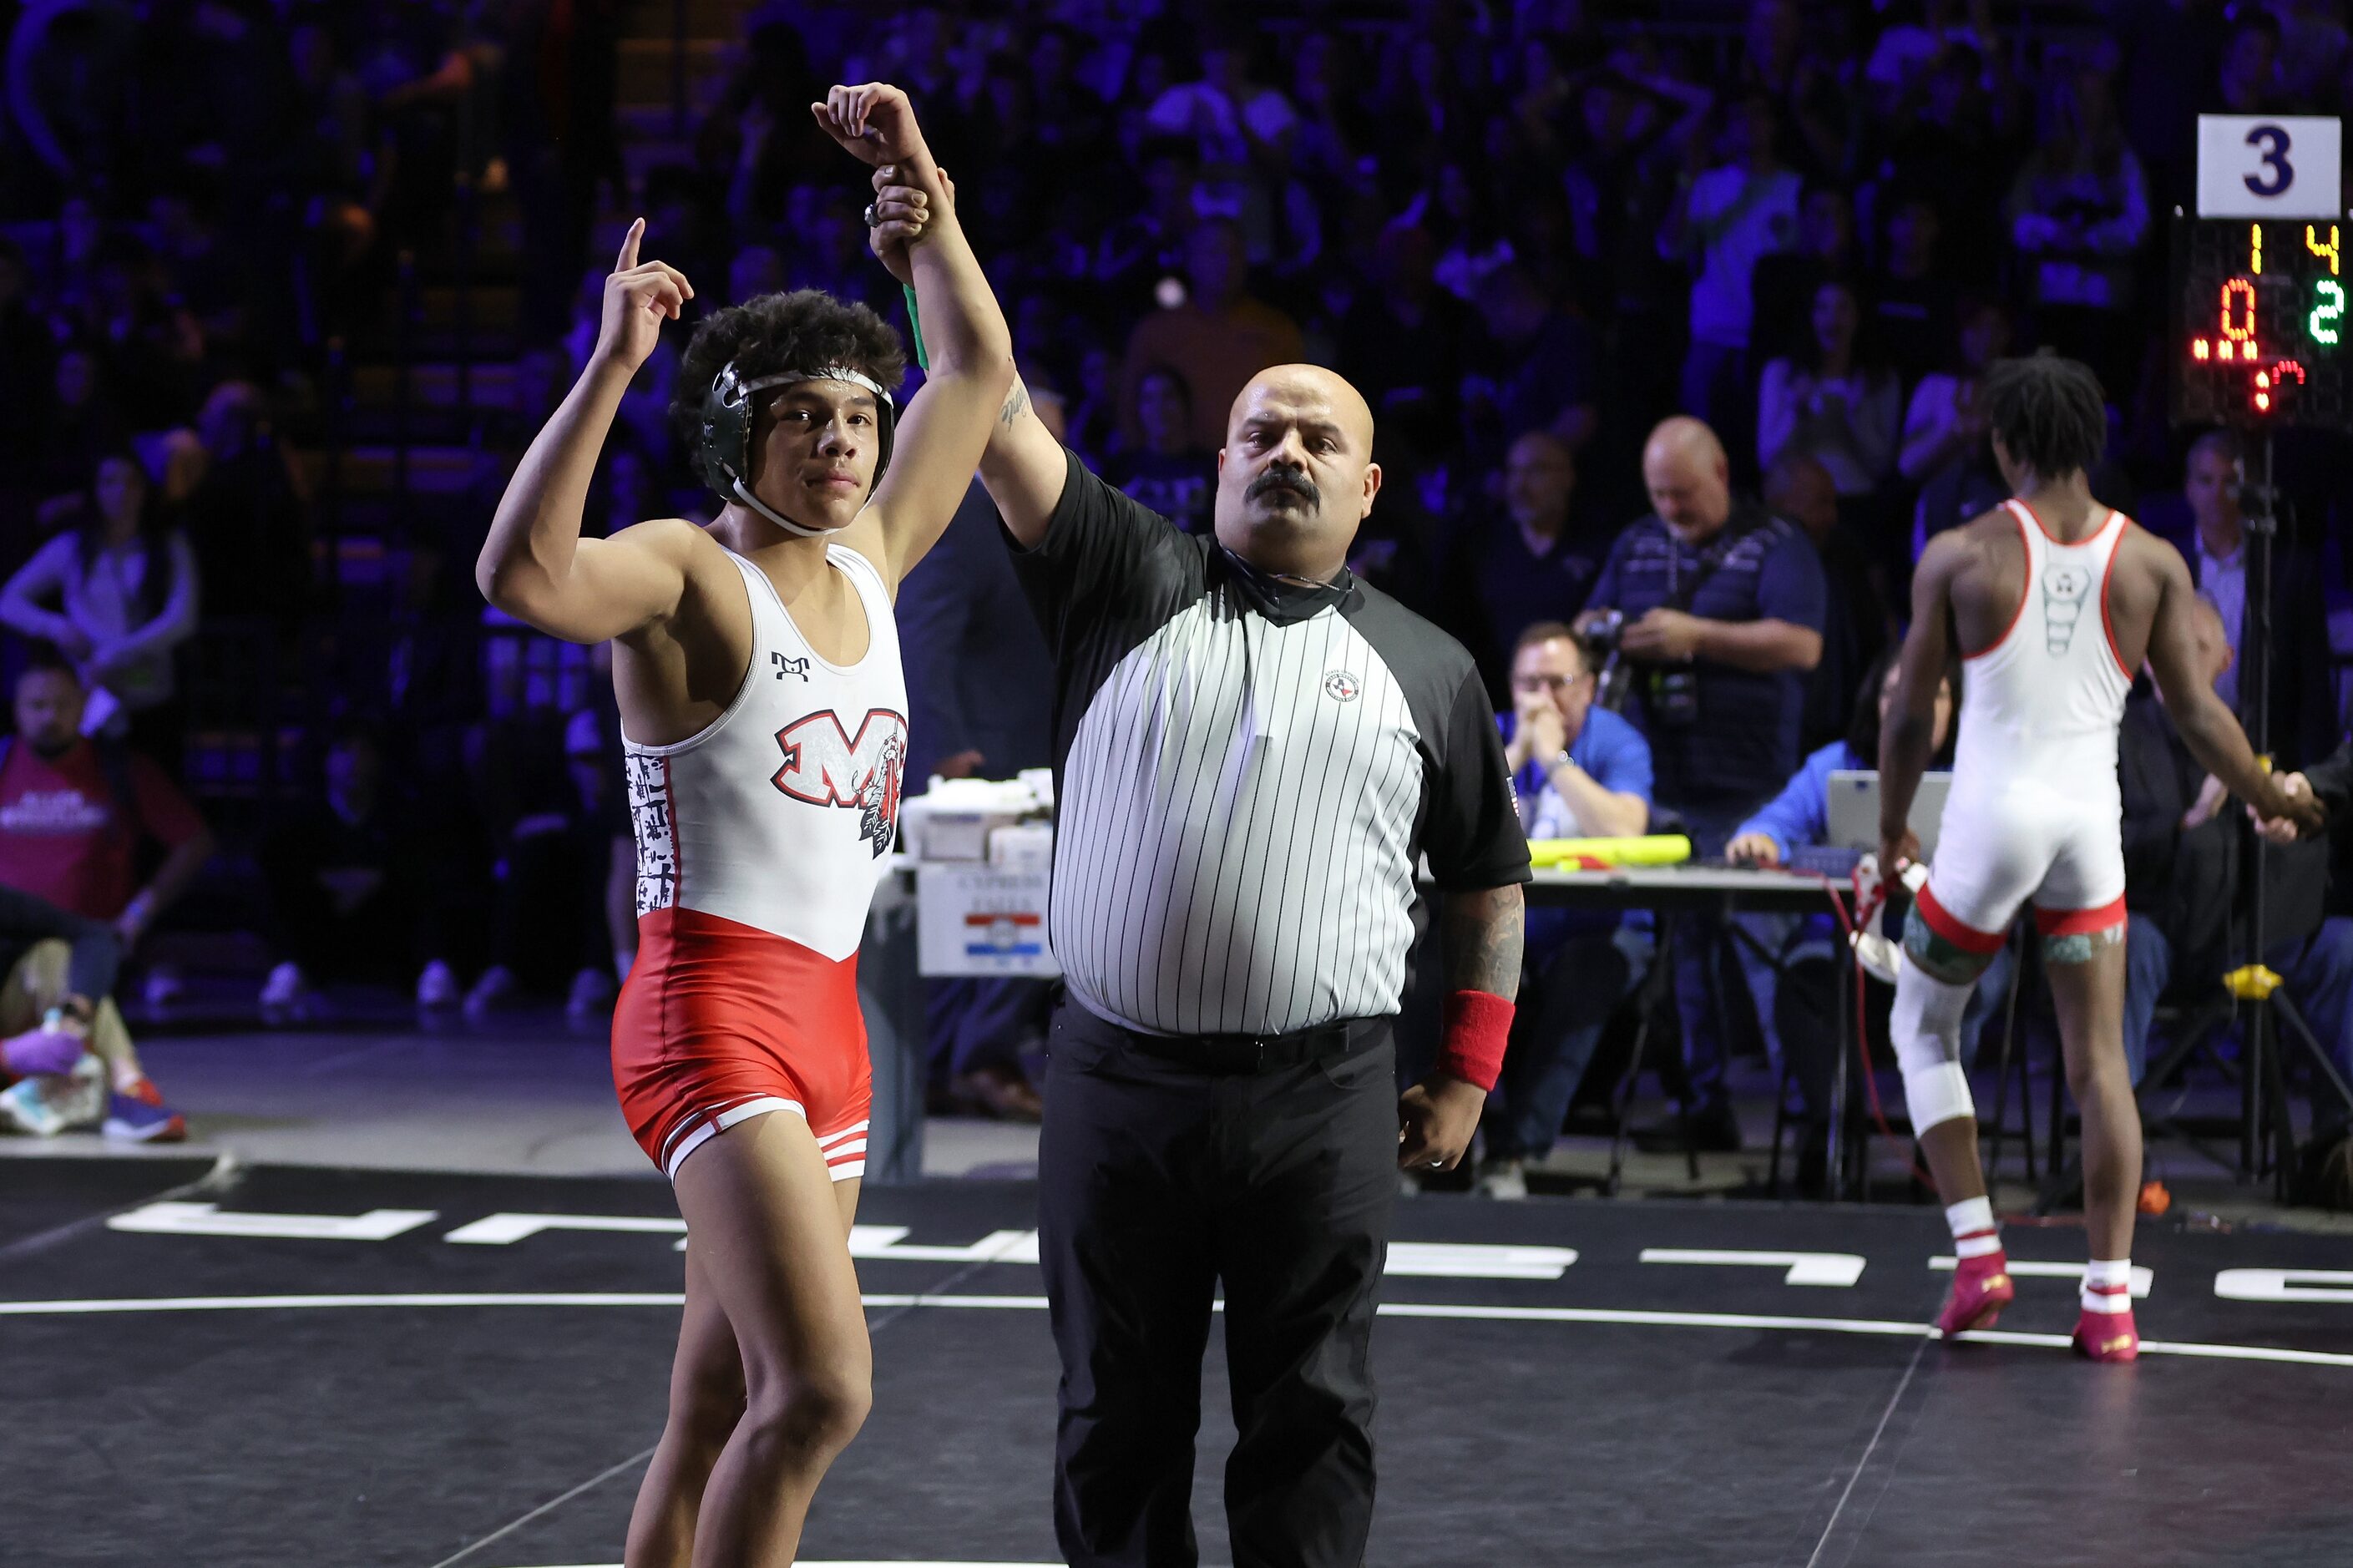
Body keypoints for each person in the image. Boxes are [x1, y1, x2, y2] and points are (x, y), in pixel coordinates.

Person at [880, 157, 1529, 1568]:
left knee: (1311, 1416)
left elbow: (1487, 877)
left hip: (1325, 1097)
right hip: (1116, 1084)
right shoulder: (1123, 573)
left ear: (1368, 484)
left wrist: (1470, 1072)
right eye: (1257, 432)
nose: (1283, 452)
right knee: (1113, 1417)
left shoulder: (1429, 666)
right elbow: (987, 407)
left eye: (1313, 438)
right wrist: (934, 228)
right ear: (1217, 463)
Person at [476, 83, 1013, 1565]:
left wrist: (927, 200)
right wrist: (607, 369)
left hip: (822, 1015)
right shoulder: (686, 574)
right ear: (733, 434)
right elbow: (520, 577)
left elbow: (971, 368)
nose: (845, 446)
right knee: (822, 1385)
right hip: (707, 1010)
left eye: (857, 418)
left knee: (718, 1398)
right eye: (805, 421)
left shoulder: (877, 556)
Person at [1877, 355, 2321, 1365]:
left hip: (1991, 828)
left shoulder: (1958, 554)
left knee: (1920, 1020)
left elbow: (1909, 716)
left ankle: (1980, 1253)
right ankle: (2110, 1303)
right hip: (2090, 834)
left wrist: (1891, 830)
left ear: (2003, 444)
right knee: (2101, 1064)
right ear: (2091, 443)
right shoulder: (2152, 560)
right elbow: (2200, 715)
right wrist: (2269, 798)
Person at [1576, 416, 1826, 1151]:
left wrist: (1697, 637)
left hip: (1751, 785)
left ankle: (1808, 1122)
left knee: (1761, 947)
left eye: (1684, 493)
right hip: (1662, 780)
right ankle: (1705, 1105)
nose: (1672, 510)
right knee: (1683, 953)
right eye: (1659, 495)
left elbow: (1802, 644)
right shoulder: (1637, 540)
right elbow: (1585, 619)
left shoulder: (1777, 544)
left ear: (1720, 473)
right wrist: (1612, 627)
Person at [1726, 648, 2007, 1187]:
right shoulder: (1835, 763)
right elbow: (1772, 825)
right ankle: (1830, 1127)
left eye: (1934, 692)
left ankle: (1943, 1156)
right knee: (1801, 984)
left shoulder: (1983, 769)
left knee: (1978, 985)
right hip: (1842, 953)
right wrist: (1760, 837)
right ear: (1875, 703)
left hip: (1952, 950)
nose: (1913, 703)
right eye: (1895, 690)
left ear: (1957, 706)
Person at [2123, 599, 2353, 1101]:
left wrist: (2284, 815)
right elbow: (2109, 847)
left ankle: (2337, 1145)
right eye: (2167, 646)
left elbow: (2302, 830)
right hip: (2160, 929)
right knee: (2123, 944)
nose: (2178, 657)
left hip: (2250, 932)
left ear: (2225, 660)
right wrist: (2193, 821)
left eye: (2197, 647)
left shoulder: (2258, 734)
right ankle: (2113, 1150)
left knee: (2341, 947)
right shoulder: (2118, 735)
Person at [0, 650, 208, 1141]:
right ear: (16, 709)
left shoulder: (118, 770)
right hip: (16, 1025)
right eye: (36, 705)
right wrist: (12, 1055)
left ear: (83, 705)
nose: (49, 717)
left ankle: (129, 1091)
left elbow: (192, 841)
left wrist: (73, 1019)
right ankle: (62, 1084)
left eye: (61, 704)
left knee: (60, 954)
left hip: (50, 968)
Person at [1478, 620, 1652, 1198]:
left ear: (1589, 686)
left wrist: (1555, 761)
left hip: (1605, 929)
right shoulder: (1495, 734)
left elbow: (1626, 829)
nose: (1543, 698)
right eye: (1530, 683)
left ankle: (1513, 1154)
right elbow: (1458, 827)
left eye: (1558, 682)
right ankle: (1433, 1143)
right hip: (1514, 926)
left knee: (1588, 971)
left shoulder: (1616, 740)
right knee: (1430, 957)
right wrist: (1517, 754)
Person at [0, 449, 201, 754]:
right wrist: (54, 626)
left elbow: (181, 618)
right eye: (109, 481)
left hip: (147, 685)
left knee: (154, 788)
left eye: (131, 482)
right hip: (86, 694)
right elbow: (8, 602)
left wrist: (116, 655)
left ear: (145, 490)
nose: (121, 491)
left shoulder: (169, 546)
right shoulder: (71, 548)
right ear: (95, 489)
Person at [2172, 430, 2336, 771]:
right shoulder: (2167, 563)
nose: (2218, 493)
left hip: (2265, 753)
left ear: (2251, 489)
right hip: (2180, 752)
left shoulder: (2289, 572)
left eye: (2230, 481)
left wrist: (2313, 781)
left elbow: (2313, 689)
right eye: (2206, 480)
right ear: (2189, 488)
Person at [1118, 218, 1304, 452]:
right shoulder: (1157, 333)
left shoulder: (1275, 330)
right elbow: (1129, 411)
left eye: (1234, 253)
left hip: (1257, 470)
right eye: (1213, 252)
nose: (1225, 262)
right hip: (1178, 477)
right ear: (1191, 260)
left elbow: (1301, 411)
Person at [1441, 431, 1602, 700]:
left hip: (1575, 698)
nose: (1519, 486)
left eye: (1535, 472)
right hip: (1495, 702)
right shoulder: (1480, 548)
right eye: (1514, 472)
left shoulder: (1596, 546)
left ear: (1567, 477)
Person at [1099, 364, 1214, 534]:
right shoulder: (1120, 469)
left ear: (1185, 404)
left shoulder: (1210, 469)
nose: (1159, 407)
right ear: (1138, 409)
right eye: (1149, 399)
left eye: (1168, 397)